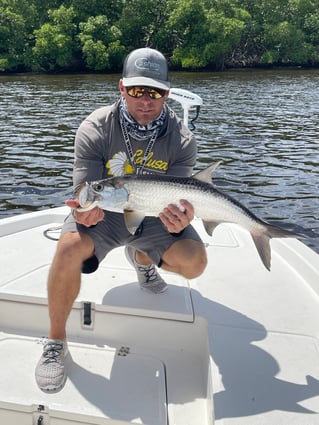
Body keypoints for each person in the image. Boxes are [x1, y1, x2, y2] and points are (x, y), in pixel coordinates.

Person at [35, 47, 207, 393]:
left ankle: (143, 256)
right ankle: (55, 340)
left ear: (167, 94)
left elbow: (179, 200)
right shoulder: (95, 128)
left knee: (195, 263)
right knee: (68, 248)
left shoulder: (182, 140)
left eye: (155, 92)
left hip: (156, 217)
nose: (146, 100)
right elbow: (84, 189)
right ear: (122, 88)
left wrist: (179, 219)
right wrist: (83, 210)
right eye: (137, 91)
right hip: (107, 216)